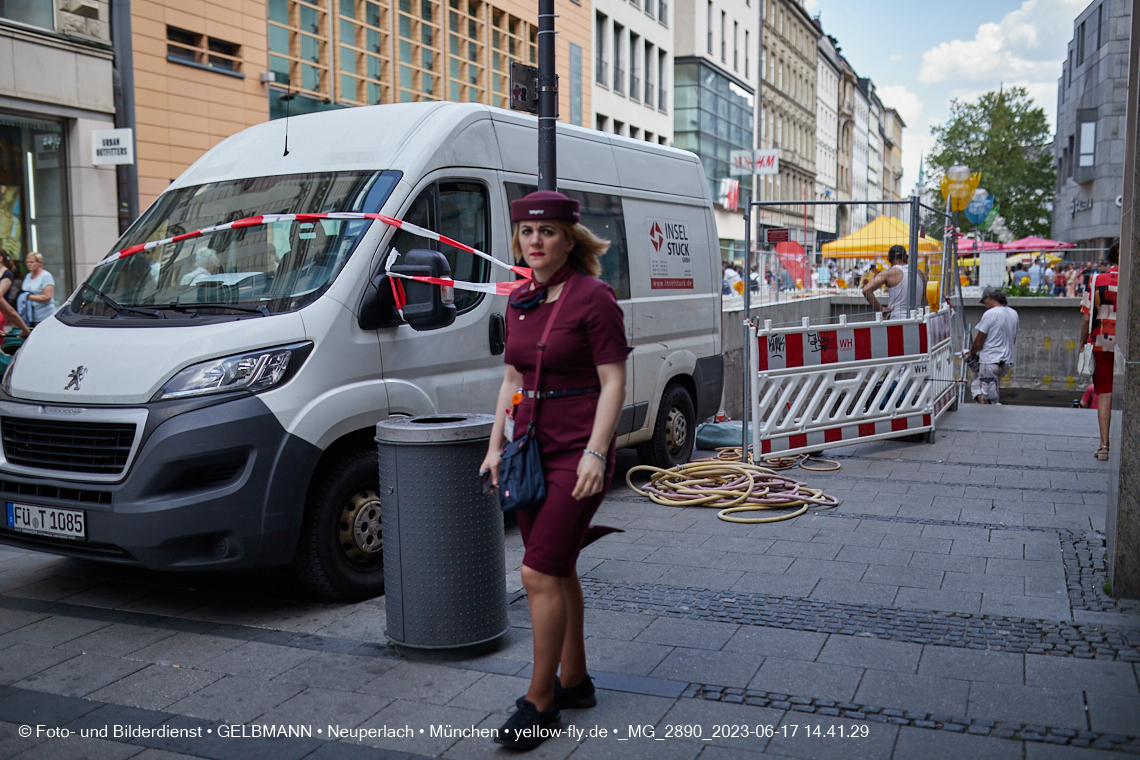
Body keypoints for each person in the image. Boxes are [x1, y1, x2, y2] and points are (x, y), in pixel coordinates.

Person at [479, 191, 629, 750]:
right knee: (558, 568)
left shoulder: (595, 297)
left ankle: (540, 703)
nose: (535, 241)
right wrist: (495, 446)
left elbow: (613, 381)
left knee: (538, 573)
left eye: (546, 232)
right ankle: (575, 681)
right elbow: (512, 381)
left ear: (569, 239)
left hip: (578, 452)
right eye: (526, 232)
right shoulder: (519, 300)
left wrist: (596, 452)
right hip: (530, 451)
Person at [1079, 240, 1119, 461]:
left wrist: (1082, 343)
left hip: (1101, 340)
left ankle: (1104, 445)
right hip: (1128, 342)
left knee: (1104, 392)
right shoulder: (1132, 280)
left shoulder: (1096, 280)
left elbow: (1086, 318)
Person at [967, 287, 1019, 404]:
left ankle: (989, 409)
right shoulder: (1013, 313)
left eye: (984, 301)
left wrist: (971, 353)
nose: (985, 305)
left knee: (985, 393)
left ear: (989, 298)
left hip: (990, 361)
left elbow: (978, 342)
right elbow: (1013, 338)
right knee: (982, 386)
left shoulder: (990, 314)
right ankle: (986, 407)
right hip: (1006, 362)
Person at [860, 244, 927, 319]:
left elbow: (866, 290)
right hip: (917, 318)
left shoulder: (888, 273)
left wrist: (880, 308)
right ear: (905, 256)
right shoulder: (919, 272)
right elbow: (925, 295)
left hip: (896, 319)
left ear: (888, 259)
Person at [17, 252, 55, 327]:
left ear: (40, 263)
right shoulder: (28, 276)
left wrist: (27, 297)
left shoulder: (46, 276)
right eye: (27, 262)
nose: (29, 264)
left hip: (44, 315)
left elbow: (47, 297)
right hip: (30, 315)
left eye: (32, 262)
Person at [0, 252, 29, 337]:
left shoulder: (7, 274)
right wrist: (25, 330)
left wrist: (25, 329)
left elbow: (9, 312)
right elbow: (9, 312)